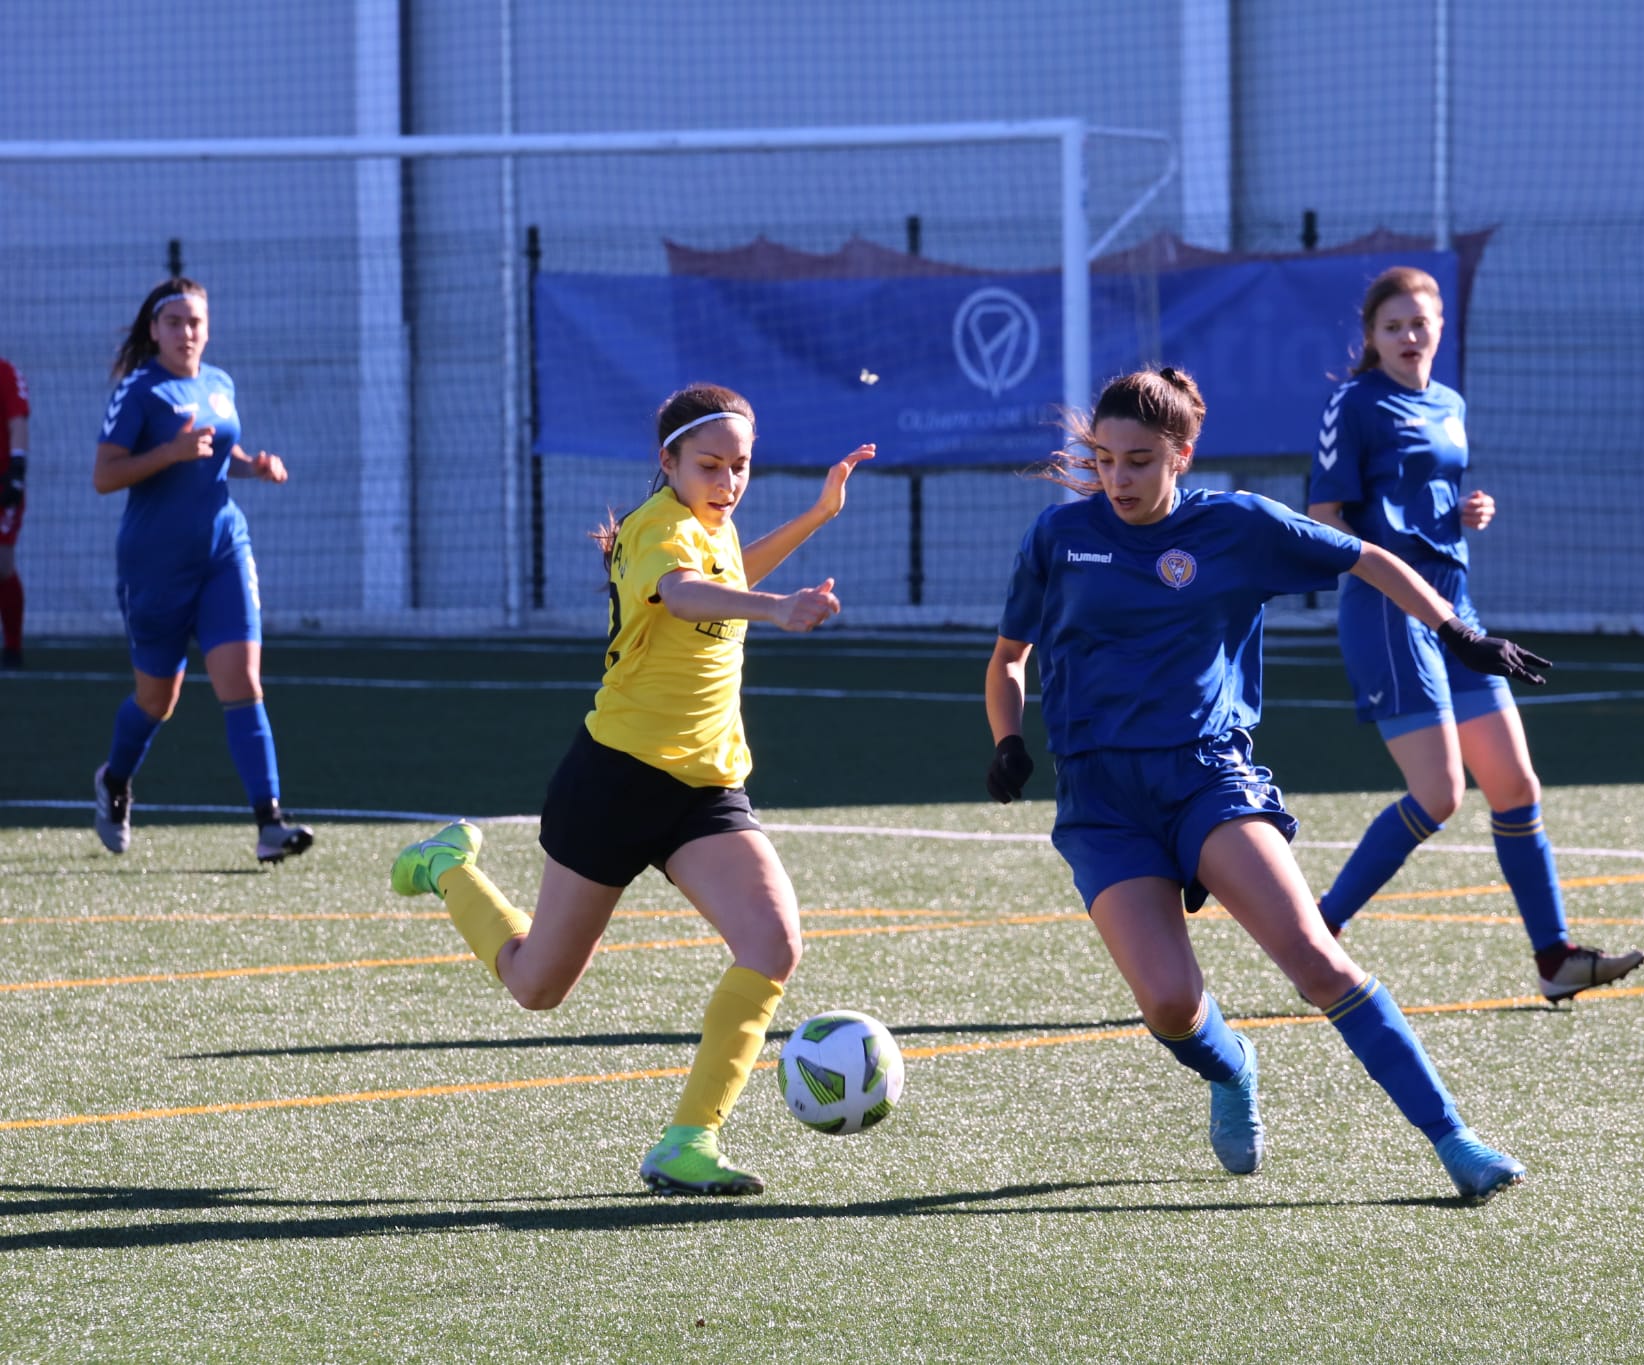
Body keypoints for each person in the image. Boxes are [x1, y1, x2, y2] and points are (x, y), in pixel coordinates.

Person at [984, 367, 1549, 1202]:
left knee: (1317, 961)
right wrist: (1007, 737)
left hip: (1207, 774)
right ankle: (1234, 1064)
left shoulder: (1236, 525)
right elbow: (1008, 661)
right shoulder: (1060, 538)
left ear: (1182, 454)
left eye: (1138, 460)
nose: (1117, 478)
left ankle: (1455, 1139)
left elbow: (1367, 557)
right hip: (1101, 799)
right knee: (1172, 1005)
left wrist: (1457, 632)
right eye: (1104, 460)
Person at [389, 383, 873, 1198]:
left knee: (774, 943)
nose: (728, 482)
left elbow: (728, 570)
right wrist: (778, 609)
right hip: (614, 779)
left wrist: (818, 514)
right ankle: (447, 866)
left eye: (741, 467)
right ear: (669, 462)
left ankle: (689, 1140)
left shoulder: (711, 527)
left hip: (706, 786)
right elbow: (686, 592)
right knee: (537, 985)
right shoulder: (658, 531)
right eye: (711, 466)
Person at [1306, 266, 1644, 1002]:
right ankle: (1313, 932)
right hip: (1393, 614)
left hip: (1459, 608)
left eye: (1420, 323)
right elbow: (1326, 515)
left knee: (1516, 785)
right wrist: (1380, 566)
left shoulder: (1450, 404)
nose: (1408, 336)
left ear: (1440, 329)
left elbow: (1426, 489)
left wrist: (1465, 511)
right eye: (1392, 326)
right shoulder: (1353, 404)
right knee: (1439, 793)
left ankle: (1554, 959)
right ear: (1370, 336)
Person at [90, 278, 313, 864]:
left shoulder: (220, 383)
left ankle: (269, 823)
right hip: (155, 567)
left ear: (207, 328)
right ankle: (115, 779)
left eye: (195, 322)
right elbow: (105, 475)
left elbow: (218, 456)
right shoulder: (139, 391)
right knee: (157, 700)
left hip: (222, 552)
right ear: (153, 330)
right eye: (174, 322)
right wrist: (167, 453)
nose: (186, 332)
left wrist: (254, 466)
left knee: (242, 682)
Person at [0, 355, 28, 669]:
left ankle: (12, 646)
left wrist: (17, 469)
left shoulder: (6, 372)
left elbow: (17, 421)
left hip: (3, 485)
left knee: (2, 564)